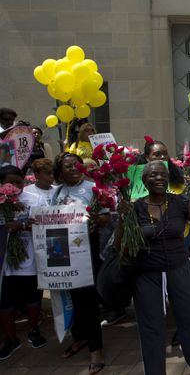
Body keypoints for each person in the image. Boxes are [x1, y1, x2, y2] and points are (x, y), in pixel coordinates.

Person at [115, 161, 190, 375]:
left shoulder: (180, 202)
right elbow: (120, 248)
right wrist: (121, 219)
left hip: (179, 268)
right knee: (151, 326)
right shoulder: (135, 207)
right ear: (144, 181)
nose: (159, 178)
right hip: (147, 273)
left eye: (163, 175)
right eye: (153, 175)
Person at [51, 152, 110, 374]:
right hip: (63, 249)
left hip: (86, 247)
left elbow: (105, 216)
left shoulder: (92, 188)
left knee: (86, 297)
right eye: (68, 166)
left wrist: (96, 218)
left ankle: (96, 349)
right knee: (73, 294)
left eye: (77, 164)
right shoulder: (58, 192)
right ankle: (81, 337)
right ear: (60, 171)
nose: (74, 168)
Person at [0, 166, 47, 360]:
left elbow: (45, 221)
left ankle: (33, 329)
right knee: (5, 301)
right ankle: (11, 339)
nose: (17, 186)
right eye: (11, 183)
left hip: (28, 259)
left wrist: (24, 224)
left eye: (19, 182)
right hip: (4, 263)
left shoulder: (33, 199)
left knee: (31, 297)